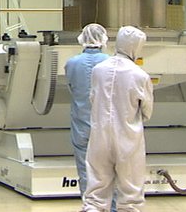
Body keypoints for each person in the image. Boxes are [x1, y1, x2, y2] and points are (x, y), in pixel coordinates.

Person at [82, 26, 153, 212]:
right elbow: (147, 111)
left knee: (95, 194)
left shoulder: (98, 70)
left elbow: (92, 98)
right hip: (129, 139)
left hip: (99, 137)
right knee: (131, 196)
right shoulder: (140, 75)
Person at [65, 24, 111, 198]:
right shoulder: (111, 61)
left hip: (81, 126)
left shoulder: (72, 63)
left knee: (85, 171)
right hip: (107, 127)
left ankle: (90, 205)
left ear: (82, 38)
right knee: (109, 171)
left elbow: (73, 89)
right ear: (104, 39)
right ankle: (111, 208)